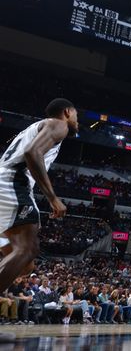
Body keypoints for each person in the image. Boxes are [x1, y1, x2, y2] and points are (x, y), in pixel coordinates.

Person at [0, 98, 74, 338]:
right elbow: (33, 153)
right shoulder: (58, 124)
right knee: (27, 250)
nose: (76, 121)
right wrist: (52, 198)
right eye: (76, 115)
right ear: (67, 112)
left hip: (6, 181)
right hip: (13, 181)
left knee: (26, 264)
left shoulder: (36, 127)